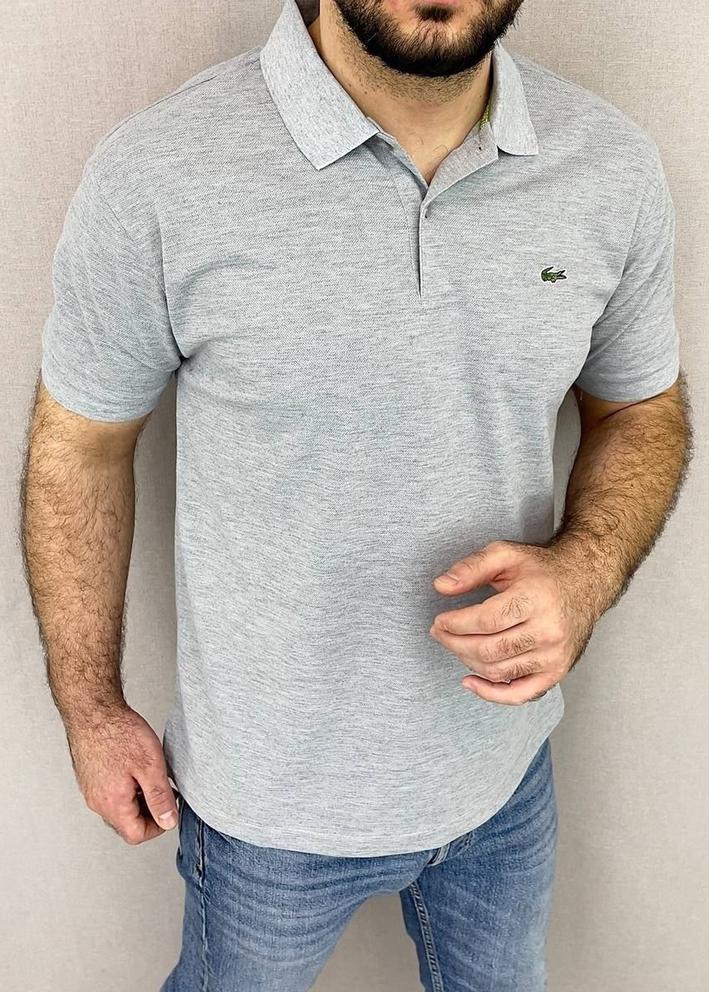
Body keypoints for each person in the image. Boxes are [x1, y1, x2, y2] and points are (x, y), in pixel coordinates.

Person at [20, 1, 692, 989]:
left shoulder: (608, 167)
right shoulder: (160, 173)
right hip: (263, 809)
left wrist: (584, 571)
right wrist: (90, 707)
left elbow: (640, 409)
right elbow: (80, 446)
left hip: (503, 780)